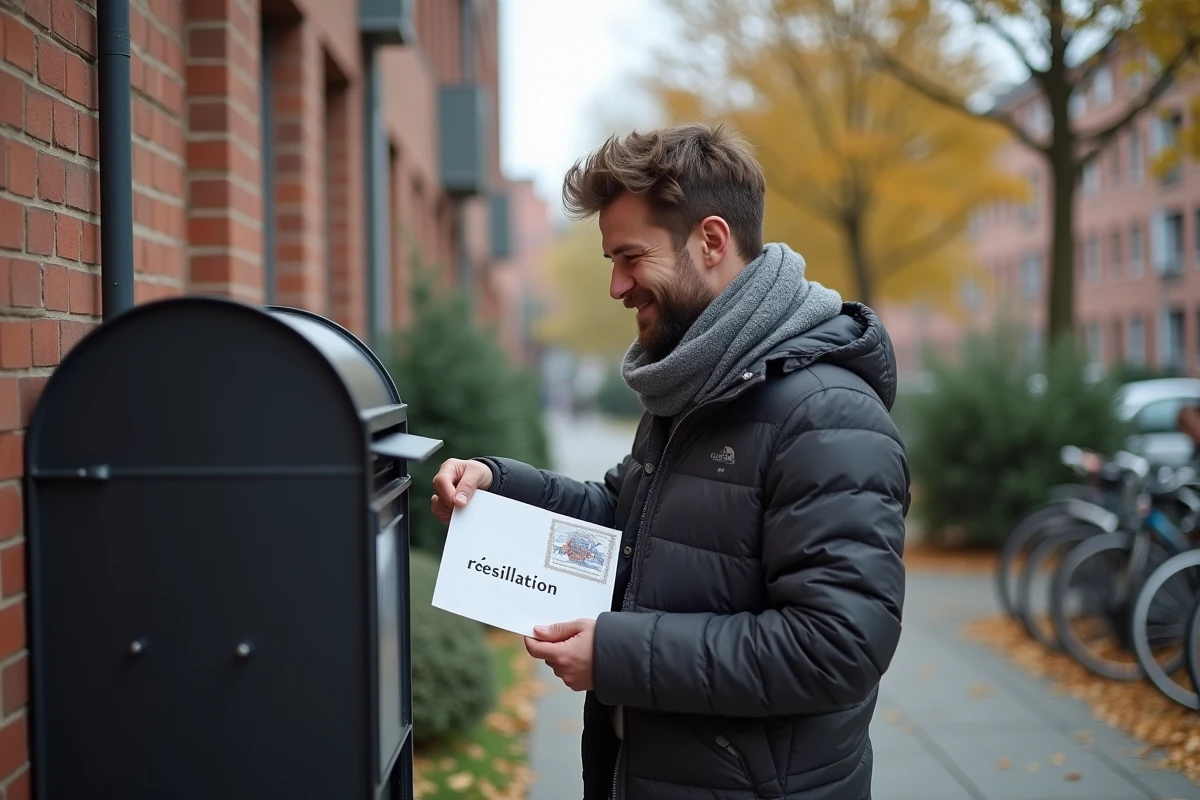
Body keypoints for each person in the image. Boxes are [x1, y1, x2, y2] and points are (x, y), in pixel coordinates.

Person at [431, 122, 909, 800]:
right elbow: (625, 519)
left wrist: (618, 655)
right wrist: (498, 488)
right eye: (610, 262)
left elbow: (837, 647)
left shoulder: (828, 414)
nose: (617, 286)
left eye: (630, 257)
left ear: (711, 241)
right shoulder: (694, 383)